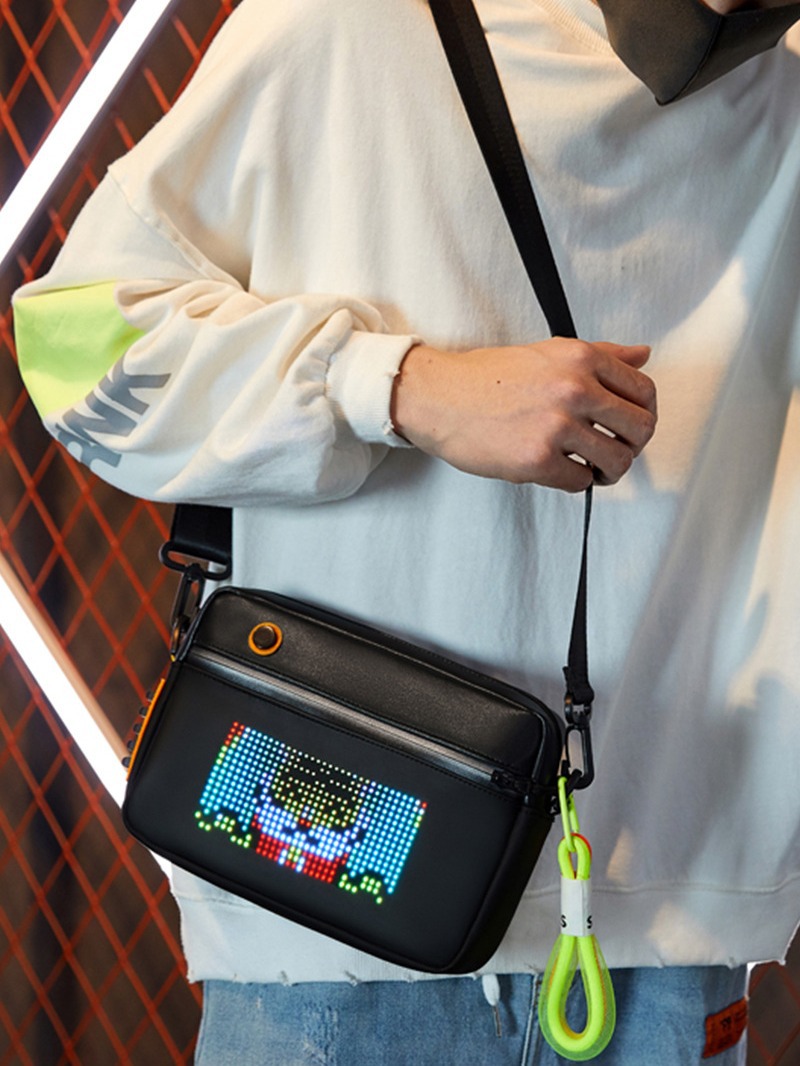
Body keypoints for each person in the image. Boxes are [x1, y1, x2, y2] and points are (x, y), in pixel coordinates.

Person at [12, 0, 800, 1062]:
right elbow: (73, 345)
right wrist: (398, 386)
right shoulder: (353, 24)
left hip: (683, 925)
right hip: (339, 931)